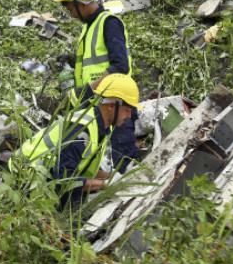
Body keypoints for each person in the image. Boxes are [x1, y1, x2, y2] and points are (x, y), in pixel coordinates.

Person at [10, 73, 139, 207]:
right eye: (127, 110)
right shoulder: (81, 130)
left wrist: (113, 178)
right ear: (111, 106)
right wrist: (105, 184)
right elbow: (64, 179)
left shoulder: (101, 127)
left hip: (43, 177)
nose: (129, 116)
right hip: (24, 179)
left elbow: (84, 169)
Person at [54, 0, 138, 171]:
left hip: (116, 103)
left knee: (123, 162)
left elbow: (120, 66)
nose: (71, 15)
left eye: (71, 9)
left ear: (80, 3)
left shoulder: (108, 23)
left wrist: (88, 91)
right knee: (104, 158)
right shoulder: (89, 27)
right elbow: (95, 62)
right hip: (102, 105)